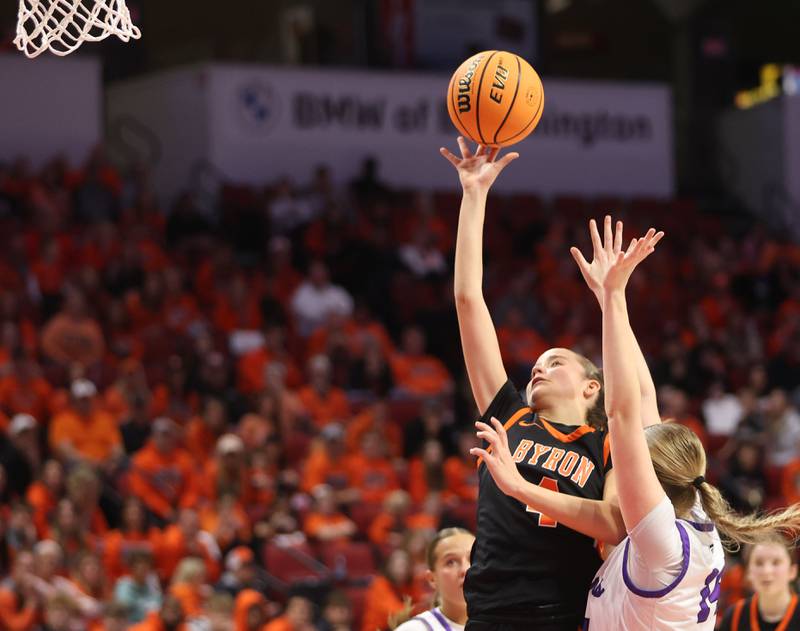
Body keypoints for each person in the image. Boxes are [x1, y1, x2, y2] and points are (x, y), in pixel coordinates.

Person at [476, 219, 800, 629]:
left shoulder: (660, 538)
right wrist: (611, 297)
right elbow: (644, 400)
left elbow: (624, 413)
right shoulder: (689, 509)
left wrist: (613, 296)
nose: (621, 460)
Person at [441, 139, 640, 630]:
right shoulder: (509, 413)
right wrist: (474, 196)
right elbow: (469, 301)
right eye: (537, 362)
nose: (538, 366)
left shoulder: (609, 442)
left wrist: (519, 487)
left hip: (564, 614)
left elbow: (616, 522)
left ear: (592, 387)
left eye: (556, 362)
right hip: (490, 614)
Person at [393, 528, 474, 631]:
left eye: (473, 558)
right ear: (432, 579)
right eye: (451, 562)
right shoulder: (414, 629)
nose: (465, 569)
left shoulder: (499, 620)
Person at [719, 535, 800, 631]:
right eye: (759, 563)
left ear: (792, 571)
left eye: (776, 562)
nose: (767, 571)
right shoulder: (734, 617)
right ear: (748, 573)